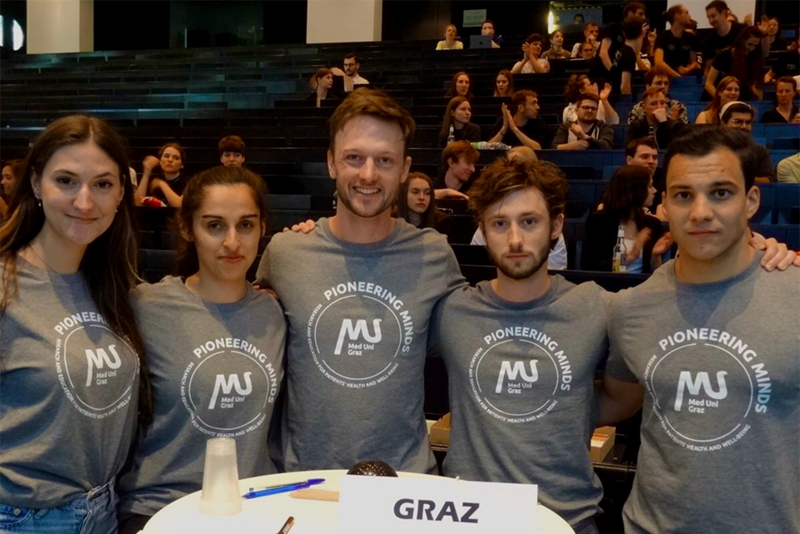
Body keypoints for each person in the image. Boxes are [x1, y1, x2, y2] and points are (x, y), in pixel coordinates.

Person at [254, 89, 466, 474]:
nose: (368, 175)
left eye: (384, 160)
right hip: (303, 482)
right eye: (354, 158)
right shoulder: (285, 253)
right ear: (331, 162)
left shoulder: (434, 255)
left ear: (404, 169)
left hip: (405, 480)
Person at [601, 126, 800, 534]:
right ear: (664, 204)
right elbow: (615, 402)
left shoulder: (794, 291)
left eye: (721, 192)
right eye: (683, 195)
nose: (700, 212)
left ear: (751, 200)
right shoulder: (630, 308)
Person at [430, 158, 604, 534]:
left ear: (555, 225)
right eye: (499, 224)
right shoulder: (451, 310)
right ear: (482, 230)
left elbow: (627, 391)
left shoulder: (597, 307)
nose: (514, 240)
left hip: (568, 520)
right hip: (468, 519)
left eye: (528, 221)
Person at [117, 166, 286, 534]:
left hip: (253, 507)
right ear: (186, 228)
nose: (232, 242)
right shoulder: (146, 307)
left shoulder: (274, 313)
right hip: (160, 507)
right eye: (214, 226)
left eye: (245, 225)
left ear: (262, 228)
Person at [0, 115, 148, 534]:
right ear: (36, 184)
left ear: (121, 193)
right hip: (20, 519)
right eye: (66, 181)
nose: (84, 202)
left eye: (102, 184)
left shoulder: (116, 286)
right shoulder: (5, 284)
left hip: (103, 511)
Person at [584, 165, 667, 273]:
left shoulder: (652, 224)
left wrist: (655, 256)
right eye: (650, 186)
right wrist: (630, 257)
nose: (655, 190)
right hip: (606, 282)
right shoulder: (598, 221)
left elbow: (655, 274)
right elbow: (588, 267)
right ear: (635, 191)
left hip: (643, 283)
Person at [719, 101, 776, 182]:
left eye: (748, 122)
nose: (744, 126)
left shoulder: (759, 151)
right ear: (723, 123)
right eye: (737, 121)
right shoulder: (710, 149)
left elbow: (769, 179)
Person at [706, 26, 765, 101]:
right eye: (749, 44)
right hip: (719, 97)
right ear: (742, 41)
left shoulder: (754, 58)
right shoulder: (724, 55)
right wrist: (721, 100)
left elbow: (758, 87)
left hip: (741, 99)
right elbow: (709, 84)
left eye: (755, 46)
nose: (751, 48)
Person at [594, 2, 649, 80]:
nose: (643, 17)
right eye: (640, 14)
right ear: (630, 14)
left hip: (619, 75)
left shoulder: (634, 33)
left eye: (644, 14)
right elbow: (603, 53)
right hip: (601, 74)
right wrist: (613, 72)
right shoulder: (614, 27)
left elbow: (635, 54)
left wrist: (641, 37)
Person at [136, 142, 187, 208]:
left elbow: (179, 205)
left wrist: (162, 184)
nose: (170, 160)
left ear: (182, 165)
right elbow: (138, 204)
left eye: (176, 158)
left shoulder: (188, 183)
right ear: (160, 161)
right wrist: (146, 174)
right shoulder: (153, 181)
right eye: (166, 156)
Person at [655, 4, 701, 78]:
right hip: (667, 78)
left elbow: (694, 62)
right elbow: (658, 62)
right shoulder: (663, 36)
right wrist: (677, 76)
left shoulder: (690, 37)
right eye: (686, 13)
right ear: (677, 15)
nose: (690, 16)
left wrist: (687, 69)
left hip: (685, 77)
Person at [702, 0, 746, 75]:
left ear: (723, 13)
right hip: (723, 80)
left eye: (713, 16)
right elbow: (708, 69)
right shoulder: (710, 41)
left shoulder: (742, 30)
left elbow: (762, 53)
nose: (711, 20)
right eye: (708, 17)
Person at [609, 18, 644, 95]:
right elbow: (624, 86)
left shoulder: (621, 49)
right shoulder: (629, 54)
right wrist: (628, 101)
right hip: (619, 98)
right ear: (641, 33)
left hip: (613, 94)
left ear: (624, 33)